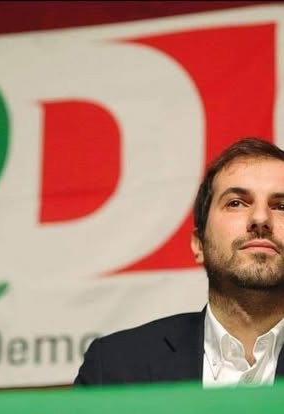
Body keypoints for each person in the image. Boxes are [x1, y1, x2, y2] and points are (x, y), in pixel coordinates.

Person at [75, 137, 284, 387]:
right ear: (199, 244)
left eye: (281, 206)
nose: (260, 218)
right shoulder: (115, 366)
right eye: (236, 203)